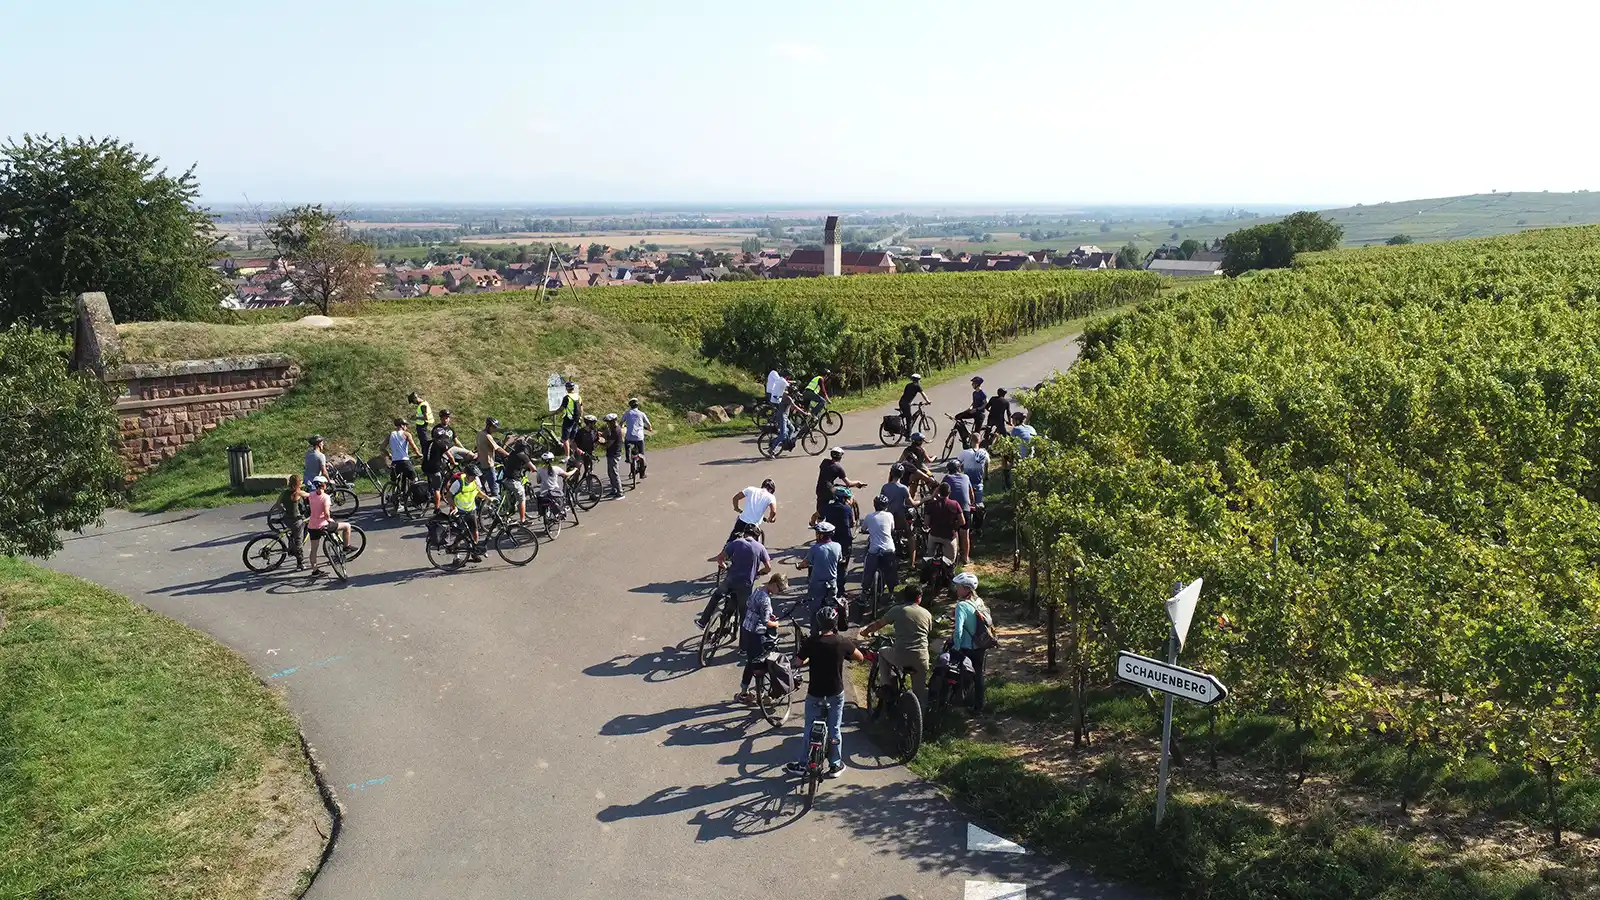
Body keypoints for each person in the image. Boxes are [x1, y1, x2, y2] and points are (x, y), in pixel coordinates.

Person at [783, 606, 863, 780]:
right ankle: (835, 764)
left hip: (815, 692)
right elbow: (860, 657)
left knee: (809, 728)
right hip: (835, 692)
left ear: (818, 623)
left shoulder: (811, 642)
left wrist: (809, 658)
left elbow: (798, 661)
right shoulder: (842, 642)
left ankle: (802, 764)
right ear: (835, 623)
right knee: (835, 728)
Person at [860, 584, 932, 701]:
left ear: (904, 597)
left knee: (882, 652)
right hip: (922, 658)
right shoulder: (927, 614)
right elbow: (928, 632)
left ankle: (886, 686)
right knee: (920, 693)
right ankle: (920, 716)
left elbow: (879, 624)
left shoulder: (897, 610)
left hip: (901, 655)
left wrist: (865, 632)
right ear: (919, 598)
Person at [697, 527, 772, 630]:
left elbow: (720, 558)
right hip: (745, 585)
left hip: (730, 580)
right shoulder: (760, 548)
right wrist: (759, 573)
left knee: (716, 596)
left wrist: (725, 566)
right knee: (744, 614)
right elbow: (768, 568)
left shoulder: (736, 542)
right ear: (757, 536)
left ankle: (702, 622)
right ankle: (744, 643)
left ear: (745, 533)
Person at [735, 572, 787, 704]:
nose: (779, 592)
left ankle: (744, 690)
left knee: (751, 661)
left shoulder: (759, 588)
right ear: (774, 584)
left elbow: (748, 603)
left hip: (747, 628)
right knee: (760, 663)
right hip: (756, 634)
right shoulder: (765, 599)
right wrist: (775, 623)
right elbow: (765, 622)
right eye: (779, 589)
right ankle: (759, 694)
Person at [950, 571, 992, 714]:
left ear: (966, 589)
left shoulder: (961, 606)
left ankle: (956, 699)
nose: (956, 589)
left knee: (959, 670)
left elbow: (958, 630)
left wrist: (956, 646)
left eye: (959, 586)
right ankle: (978, 706)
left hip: (967, 647)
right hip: (980, 645)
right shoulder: (979, 601)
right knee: (978, 675)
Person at [796, 521, 842, 626]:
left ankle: (814, 633)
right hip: (832, 583)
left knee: (814, 610)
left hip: (817, 584)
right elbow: (840, 559)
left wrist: (799, 566)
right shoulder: (837, 546)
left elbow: (805, 563)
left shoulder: (815, 548)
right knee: (832, 609)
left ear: (821, 535)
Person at [305, 476, 353, 577]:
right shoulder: (326, 497)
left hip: (312, 526)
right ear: (323, 485)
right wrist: (329, 519)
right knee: (347, 526)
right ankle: (346, 547)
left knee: (314, 549)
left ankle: (315, 570)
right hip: (323, 525)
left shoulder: (311, 495)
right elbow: (326, 514)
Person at [813, 485, 857, 595]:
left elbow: (814, 517)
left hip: (831, 540)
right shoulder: (847, 508)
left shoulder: (827, 507)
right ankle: (841, 590)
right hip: (845, 542)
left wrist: (813, 524)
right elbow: (852, 523)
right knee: (843, 566)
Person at [858, 494, 898, 603]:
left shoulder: (869, 517)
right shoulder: (889, 516)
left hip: (874, 550)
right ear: (886, 506)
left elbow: (863, 529)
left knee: (868, 570)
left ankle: (864, 593)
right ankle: (891, 594)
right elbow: (892, 528)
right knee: (891, 572)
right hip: (888, 549)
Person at [425, 410, 462, 512]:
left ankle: (434, 491)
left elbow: (456, 441)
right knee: (437, 488)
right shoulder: (441, 444)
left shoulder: (429, 443)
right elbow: (450, 457)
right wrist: (454, 462)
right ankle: (437, 509)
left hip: (426, 466)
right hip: (436, 466)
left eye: (447, 417)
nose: (446, 419)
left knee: (436, 480)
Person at [815, 447, 865, 514]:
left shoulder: (824, 462)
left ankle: (818, 520)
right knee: (848, 497)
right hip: (830, 491)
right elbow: (848, 483)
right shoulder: (838, 468)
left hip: (819, 489)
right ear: (840, 457)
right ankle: (851, 518)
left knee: (820, 512)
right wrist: (857, 483)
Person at [450, 463, 484, 560]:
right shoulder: (458, 483)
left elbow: (478, 491)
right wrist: (454, 507)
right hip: (459, 511)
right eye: (473, 476)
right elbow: (449, 496)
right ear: (468, 475)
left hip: (471, 509)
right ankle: (456, 557)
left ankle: (474, 552)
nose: (475, 478)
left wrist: (488, 498)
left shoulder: (476, 480)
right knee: (460, 534)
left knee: (475, 532)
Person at [942, 460, 974, 564]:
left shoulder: (947, 478)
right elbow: (971, 494)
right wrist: (971, 503)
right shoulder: (966, 477)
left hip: (952, 509)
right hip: (965, 509)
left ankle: (954, 558)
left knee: (952, 533)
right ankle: (965, 558)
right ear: (959, 468)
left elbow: (942, 491)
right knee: (965, 534)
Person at [924, 482, 965, 563]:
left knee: (929, 559)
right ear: (949, 492)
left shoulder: (931, 505)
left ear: (938, 491)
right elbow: (962, 522)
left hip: (934, 535)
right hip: (949, 536)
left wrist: (934, 494)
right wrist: (954, 526)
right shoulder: (955, 504)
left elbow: (926, 523)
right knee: (950, 563)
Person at [730, 478, 778, 543]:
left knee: (730, 543)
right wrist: (770, 519)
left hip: (742, 521)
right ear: (771, 489)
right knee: (755, 548)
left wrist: (737, 508)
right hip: (754, 526)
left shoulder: (751, 489)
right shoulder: (771, 497)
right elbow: (773, 511)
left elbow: (735, 498)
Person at [385, 418, 421, 502]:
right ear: (401, 425)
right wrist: (419, 454)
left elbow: (382, 448)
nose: (406, 427)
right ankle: (414, 497)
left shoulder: (390, 435)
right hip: (404, 461)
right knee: (414, 478)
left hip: (395, 462)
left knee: (396, 481)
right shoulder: (406, 434)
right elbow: (414, 447)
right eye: (405, 425)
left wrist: (389, 455)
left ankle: (396, 497)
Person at [278, 474, 308, 569]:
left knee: (293, 534)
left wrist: (284, 510)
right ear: (298, 483)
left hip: (286, 518)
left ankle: (291, 547)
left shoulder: (284, 492)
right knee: (299, 541)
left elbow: (278, 504)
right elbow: (310, 495)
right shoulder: (297, 493)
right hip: (296, 520)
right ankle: (300, 563)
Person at [501, 439, 533, 523]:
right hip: (513, 480)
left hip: (505, 478)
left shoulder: (512, 454)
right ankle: (523, 520)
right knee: (522, 498)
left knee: (511, 496)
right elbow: (533, 467)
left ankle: (508, 515)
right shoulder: (523, 455)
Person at [621, 398, 652, 478]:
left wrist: (622, 426)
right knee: (641, 455)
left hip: (630, 437)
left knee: (627, 443)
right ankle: (642, 474)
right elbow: (649, 425)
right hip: (639, 438)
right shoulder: (641, 414)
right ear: (637, 405)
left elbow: (621, 423)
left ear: (630, 406)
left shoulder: (627, 413)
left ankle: (628, 458)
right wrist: (649, 429)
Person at [898, 433, 935, 498]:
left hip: (911, 473)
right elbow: (929, 460)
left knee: (912, 493)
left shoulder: (906, 450)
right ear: (919, 441)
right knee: (932, 480)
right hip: (921, 470)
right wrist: (934, 457)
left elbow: (900, 461)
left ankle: (912, 504)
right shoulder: (922, 450)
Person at [476, 417, 506, 498]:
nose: (494, 430)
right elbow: (497, 448)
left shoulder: (479, 433)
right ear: (488, 426)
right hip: (488, 465)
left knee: (481, 487)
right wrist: (508, 454)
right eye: (493, 428)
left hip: (480, 463)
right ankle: (496, 506)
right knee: (495, 490)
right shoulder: (488, 436)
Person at [879, 465, 913, 535]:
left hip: (888, 517)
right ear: (902, 475)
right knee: (909, 534)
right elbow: (912, 503)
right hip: (900, 517)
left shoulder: (885, 487)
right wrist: (923, 500)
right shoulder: (903, 488)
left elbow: (881, 503)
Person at [535, 451, 569, 520]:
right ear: (552, 460)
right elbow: (567, 475)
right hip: (554, 492)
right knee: (562, 497)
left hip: (544, 493)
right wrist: (575, 470)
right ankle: (561, 511)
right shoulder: (556, 468)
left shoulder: (539, 470)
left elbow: (538, 481)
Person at [1006, 411, 1036, 488]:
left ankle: (1011, 486)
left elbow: (1011, 445)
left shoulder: (1016, 429)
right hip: (1033, 455)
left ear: (1017, 421)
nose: (1012, 422)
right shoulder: (1031, 427)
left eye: (1013, 421)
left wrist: (1010, 461)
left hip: (1023, 458)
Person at [769, 388, 800, 456]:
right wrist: (804, 413)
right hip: (782, 417)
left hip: (785, 417)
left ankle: (785, 443)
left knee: (792, 429)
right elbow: (794, 407)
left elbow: (792, 408)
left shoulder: (785, 394)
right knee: (782, 435)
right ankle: (772, 449)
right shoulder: (788, 398)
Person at [600, 413, 625, 498]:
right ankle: (614, 490)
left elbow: (608, 444)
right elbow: (606, 434)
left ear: (613, 421)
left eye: (609, 422)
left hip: (614, 454)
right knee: (610, 473)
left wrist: (600, 442)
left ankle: (620, 492)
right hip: (612, 454)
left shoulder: (615, 431)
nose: (608, 424)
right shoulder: (613, 429)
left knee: (614, 473)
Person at [558, 381, 583, 454]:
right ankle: (579, 452)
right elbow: (581, 408)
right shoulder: (578, 396)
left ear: (566, 389)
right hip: (576, 419)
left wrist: (553, 413)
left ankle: (567, 456)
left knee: (564, 439)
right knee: (572, 438)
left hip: (568, 420)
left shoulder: (567, 397)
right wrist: (580, 417)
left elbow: (561, 409)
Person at [573, 415, 600, 481]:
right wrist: (578, 450)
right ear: (589, 423)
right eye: (594, 423)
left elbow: (596, 440)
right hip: (580, 454)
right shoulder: (580, 432)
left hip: (589, 454)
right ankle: (573, 484)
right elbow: (573, 444)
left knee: (589, 471)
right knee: (577, 469)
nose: (595, 425)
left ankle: (588, 488)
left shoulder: (594, 431)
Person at [409, 391, 434, 457]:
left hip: (422, 426)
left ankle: (425, 455)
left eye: (413, 401)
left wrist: (415, 417)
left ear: (415, 399)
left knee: (424, 442)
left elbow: (425, 417)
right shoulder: (424, 403)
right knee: (424, 442)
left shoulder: (422, 406)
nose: (414, 403)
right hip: (423, 425)